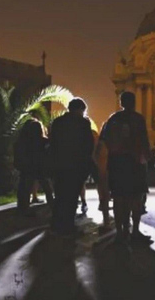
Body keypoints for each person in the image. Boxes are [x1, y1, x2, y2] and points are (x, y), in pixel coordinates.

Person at [100, 91, 151, 244]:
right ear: (134, 102)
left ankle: (120, 232)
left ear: (121, 102)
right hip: (135, 163)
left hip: (117, 163)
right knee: (136, 198)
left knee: (118, 198)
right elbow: (144, 142)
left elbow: (104, 141)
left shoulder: (113, 119)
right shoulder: (138, 119)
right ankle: (134, 231)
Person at [49, 98, 94, 236]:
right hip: (76, 165)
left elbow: (53, 142)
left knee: (60, 195)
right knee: (72, 197)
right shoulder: (83, 123)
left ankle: (56, 224)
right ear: (80, 109)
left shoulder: (57, 122)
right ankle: (68, 225)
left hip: (59, 165)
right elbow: (88, 145)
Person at [13, 118, 53, 217]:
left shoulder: (22, 142)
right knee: (47, 188)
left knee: (24, 188)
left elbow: (18, 154)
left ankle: (22, 208)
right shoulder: (43, 141)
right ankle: (52, 206)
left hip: (26, 167)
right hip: (39, 167)